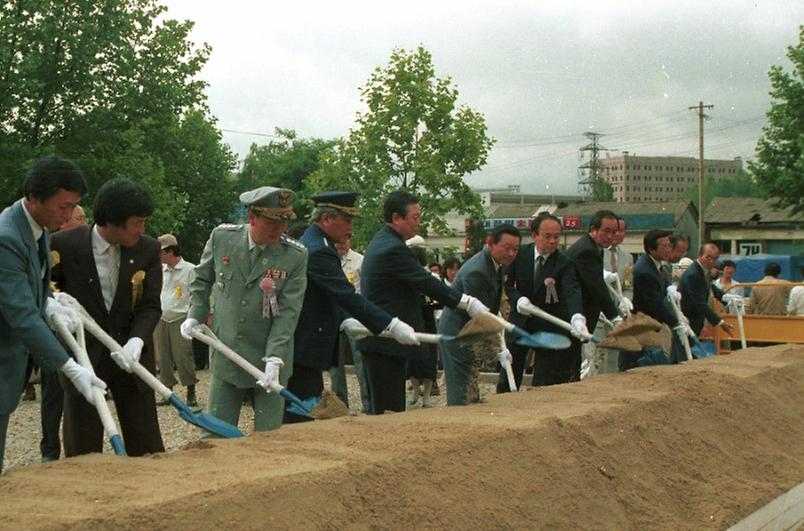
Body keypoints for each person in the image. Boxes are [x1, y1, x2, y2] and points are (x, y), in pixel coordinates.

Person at [0, 156, 105, 473]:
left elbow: (35, 283)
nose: (69, 215)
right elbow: (22, 317)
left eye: (74, 206)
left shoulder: (40, 227)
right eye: (63, 206)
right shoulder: (7, 238)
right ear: (33, 197)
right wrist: (69, 366)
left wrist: (50, 300)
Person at [52, 178, 164, 457]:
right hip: (85, 360)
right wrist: (57, 315)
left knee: (147, 444)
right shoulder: (62, 245)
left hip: (131, 361)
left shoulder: (147, 249)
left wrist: (137, 340)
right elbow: (46, 294)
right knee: (83, 448)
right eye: (136, 222)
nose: (142, 229)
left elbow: (150, 304)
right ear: (111, 222)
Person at [183, 187, 308, 432]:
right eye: (272, 221)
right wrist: (195, 316)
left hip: (269, 359)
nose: (279, 228)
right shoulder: (222, 239)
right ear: (252, 216)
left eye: (284, 221)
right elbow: (200, 279)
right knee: (216, 435)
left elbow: (289, 311)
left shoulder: (295, 256)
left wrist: (275, 357)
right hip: (227, 352)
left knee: (267, 438)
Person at [286, 192, 417, 423]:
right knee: (299, 418)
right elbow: (345, 294)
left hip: (305, 347)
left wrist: (346, 318)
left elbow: (330, 295)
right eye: (346, 221)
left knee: (303, 412)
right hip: (303, 349)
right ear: (326, 219)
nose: (350, 228)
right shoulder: (319, 250)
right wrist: (390, 324)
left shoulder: (317, 242)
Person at [357, 191, 488, 414]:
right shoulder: (392, 248)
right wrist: (465, 301)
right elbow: (425, 282)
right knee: (388, 414)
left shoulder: (386, 241)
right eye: (415, 217)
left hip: (385, 341)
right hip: (384, 343)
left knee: (387, 410)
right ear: (397, 217)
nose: (419, 222)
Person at [496, 214, 584, 390]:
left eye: (556, 237)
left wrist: (577, 316)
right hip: (520, 321)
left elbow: (572, 291)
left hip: (548, 326)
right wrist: (517, 298)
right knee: (510, 370)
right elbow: (506, 283)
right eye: (547, 236)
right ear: (535, 235)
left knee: (544, 378)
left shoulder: (564, 263)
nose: (552, 241)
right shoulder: (520, 254)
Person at [565, 210, 620, 379]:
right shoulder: (586, 251)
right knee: (570, 362)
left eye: (614, 232)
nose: (610, 236)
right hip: (574, 315)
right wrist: (614, 316)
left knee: (573, 360)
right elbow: (596, 287)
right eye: (606, 231)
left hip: (582, 314)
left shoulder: (595, 248)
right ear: (593, 229)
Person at [623, 230, 679, 371]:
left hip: (651, 324)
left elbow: (663, 283)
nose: (668, 249)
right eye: (664, 246)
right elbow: (655, 304)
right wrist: (676, 322)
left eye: (669, 245)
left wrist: (670, 288)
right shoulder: (644, 271)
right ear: (651, 249)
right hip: (643, 326)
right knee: (647, 363)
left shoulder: (658, 265)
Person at [154, 234, 198, 407]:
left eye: (161, 253)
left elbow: (196, 295)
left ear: (170, 251)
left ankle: (191, 391)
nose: (158, 257)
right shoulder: (160, 270)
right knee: (162, 357)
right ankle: (167, 392)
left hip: (181, 318)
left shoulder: (190, 270)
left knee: (183, 356)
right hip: (162, 317)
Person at [330, 235, 371, 412]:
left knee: (361, 361)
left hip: (355, 316)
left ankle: (368, 403)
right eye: (338, 240)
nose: (341, 243)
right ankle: (339, 405)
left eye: (344, 240)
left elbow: (364, 290)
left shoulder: (360, 261)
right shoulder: (328, 260)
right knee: (334, 364)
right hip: (333, 316)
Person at [404, 235, 440, 408]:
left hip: (427, 320)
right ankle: (415, 391)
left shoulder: (431, 276)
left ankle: (426, 394)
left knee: (429, 357)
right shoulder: (405, 275)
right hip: (411, 319)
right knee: (412, 358)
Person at [678, 243, 735, 344]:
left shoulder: (703, 270)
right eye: (708, 257)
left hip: (695, 318)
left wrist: (725, 297)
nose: (711, 261)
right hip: (688, 318)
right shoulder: (693, 274)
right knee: (685, 350)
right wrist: (720, 322)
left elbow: (709, 286)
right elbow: (699, 302)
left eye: (715, 258)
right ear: (700, 255)